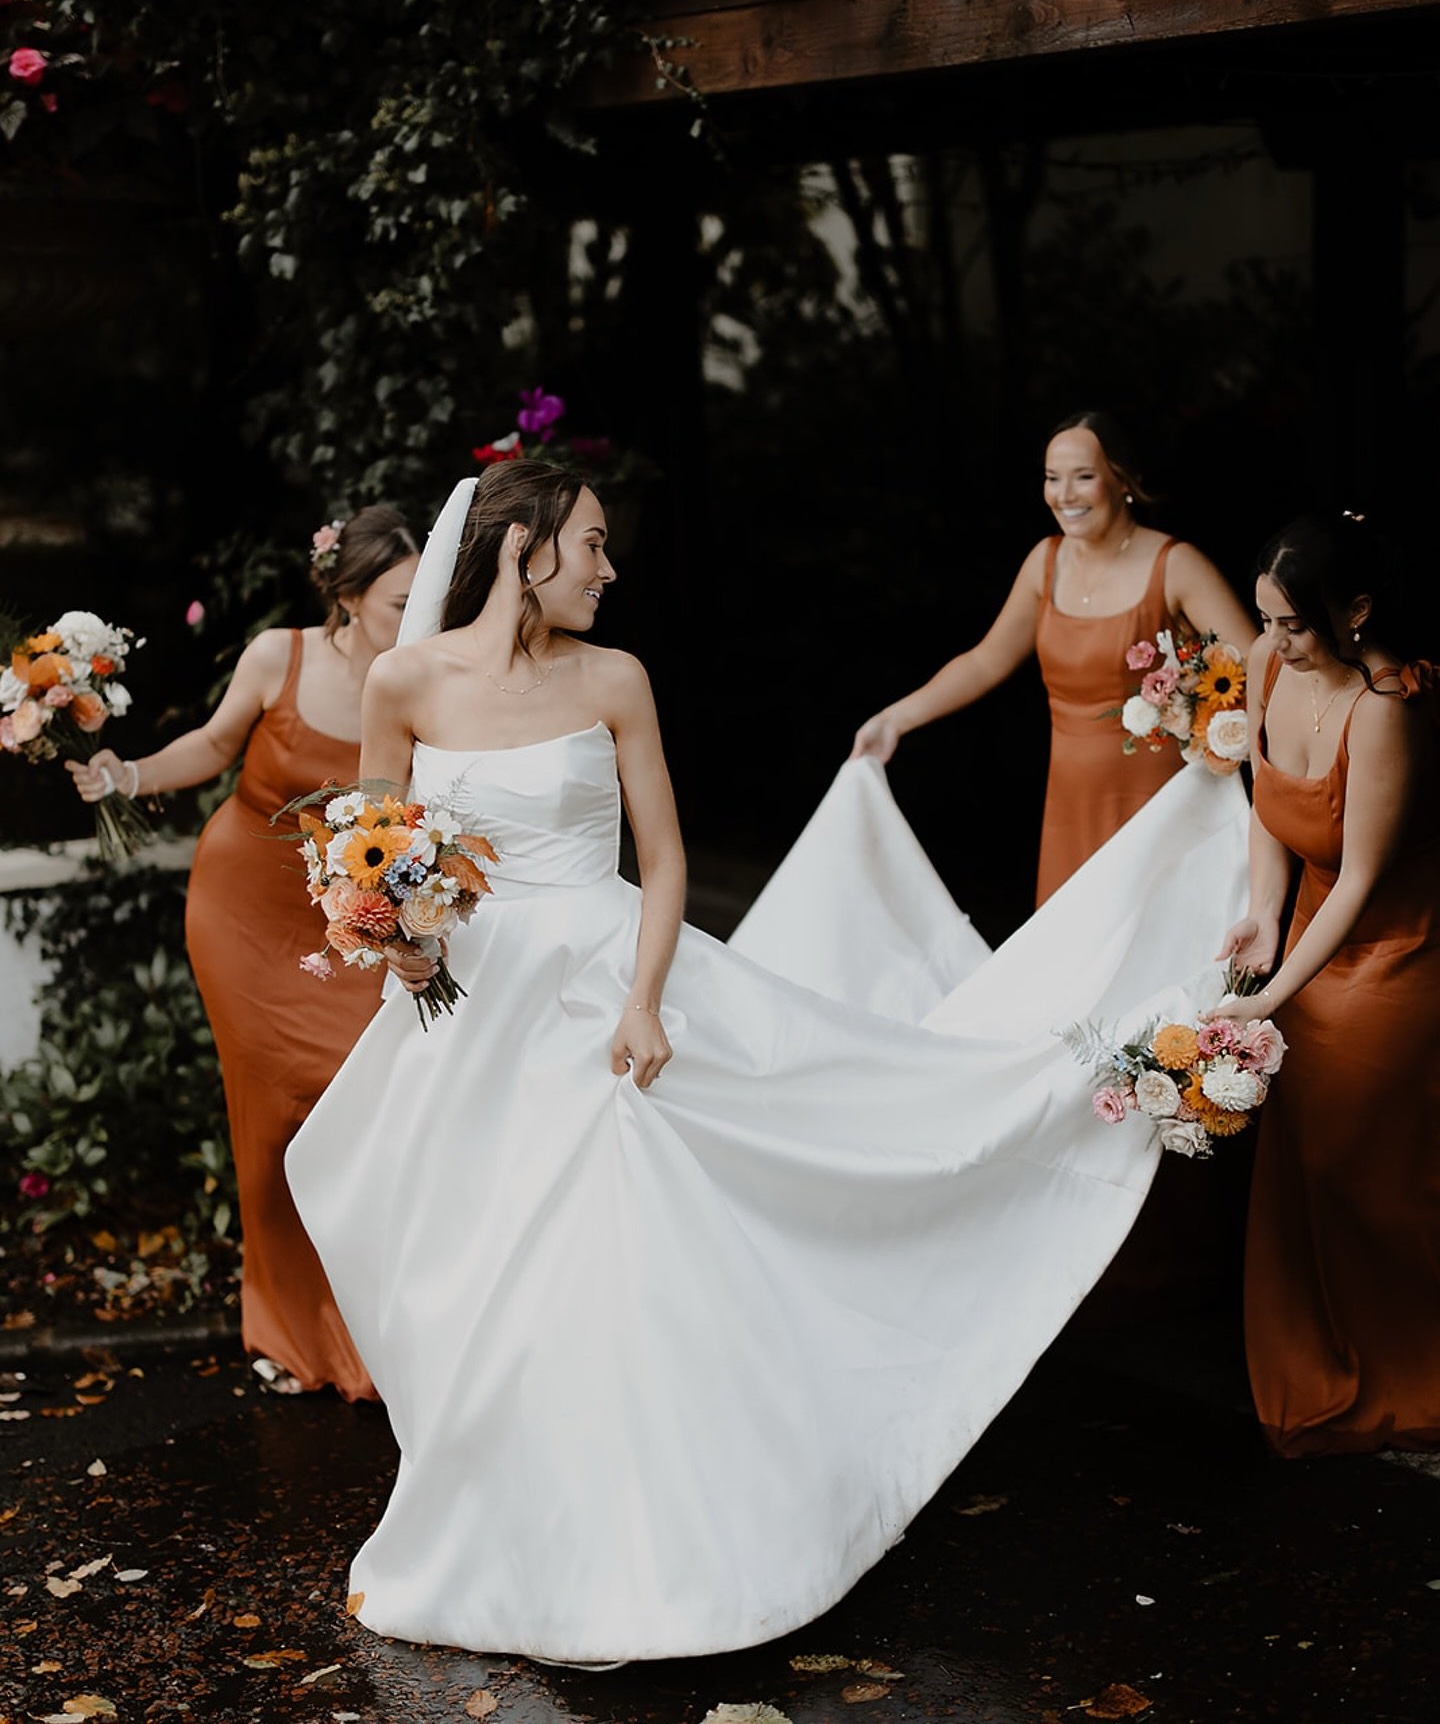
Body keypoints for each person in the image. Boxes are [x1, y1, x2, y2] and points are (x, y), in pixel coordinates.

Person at [284, 463, 1249, 1663]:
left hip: (600, 994)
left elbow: (668, 858)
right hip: (474, 1010)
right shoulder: (405, 681)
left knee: (604, 1273)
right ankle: (501, 1529)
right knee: (477, 1278)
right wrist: (398, 944)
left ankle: (639, 1557)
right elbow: (369, 845)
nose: (608, 567)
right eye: (590, 545)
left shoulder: (616, 678)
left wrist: (642, 1000)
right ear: (526, 549)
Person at [68, 506, 420, 1401]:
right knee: (268, 1126)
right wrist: (126, 775)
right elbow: (216, 746)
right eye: (397, 604)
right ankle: (283, 1328)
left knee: (361, 1108)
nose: (413, 623)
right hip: (243, 914)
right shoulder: (280, 656)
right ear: (344, 597)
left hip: (345, 924)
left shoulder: (421, 681)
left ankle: (379, 1324)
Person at [1204, 513, 1440, 1456]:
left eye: (1293, 625)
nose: (1273, 642)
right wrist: (1264, 913)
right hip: (1307, 927)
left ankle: (1411, 1363)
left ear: (1356, 613)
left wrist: (1267, 999)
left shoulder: (1384, 710)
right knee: (1308, 1158)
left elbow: (1361, 881)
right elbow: (1267, 797)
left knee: (1366, 1166)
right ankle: (1321, 1357)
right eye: (1263, 620)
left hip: (1395, 949)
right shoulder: (1268, 666)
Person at [851, 411, 1254, 906]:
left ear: (1121, 480)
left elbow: (1259, 663)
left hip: (1159, 805)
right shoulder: (1046, 562)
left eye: (1083, 477)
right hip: (1069, 807)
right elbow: (984, 661)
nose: (1064, 495)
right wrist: (895, 719)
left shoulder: (1176, 565)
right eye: (1051, 478)